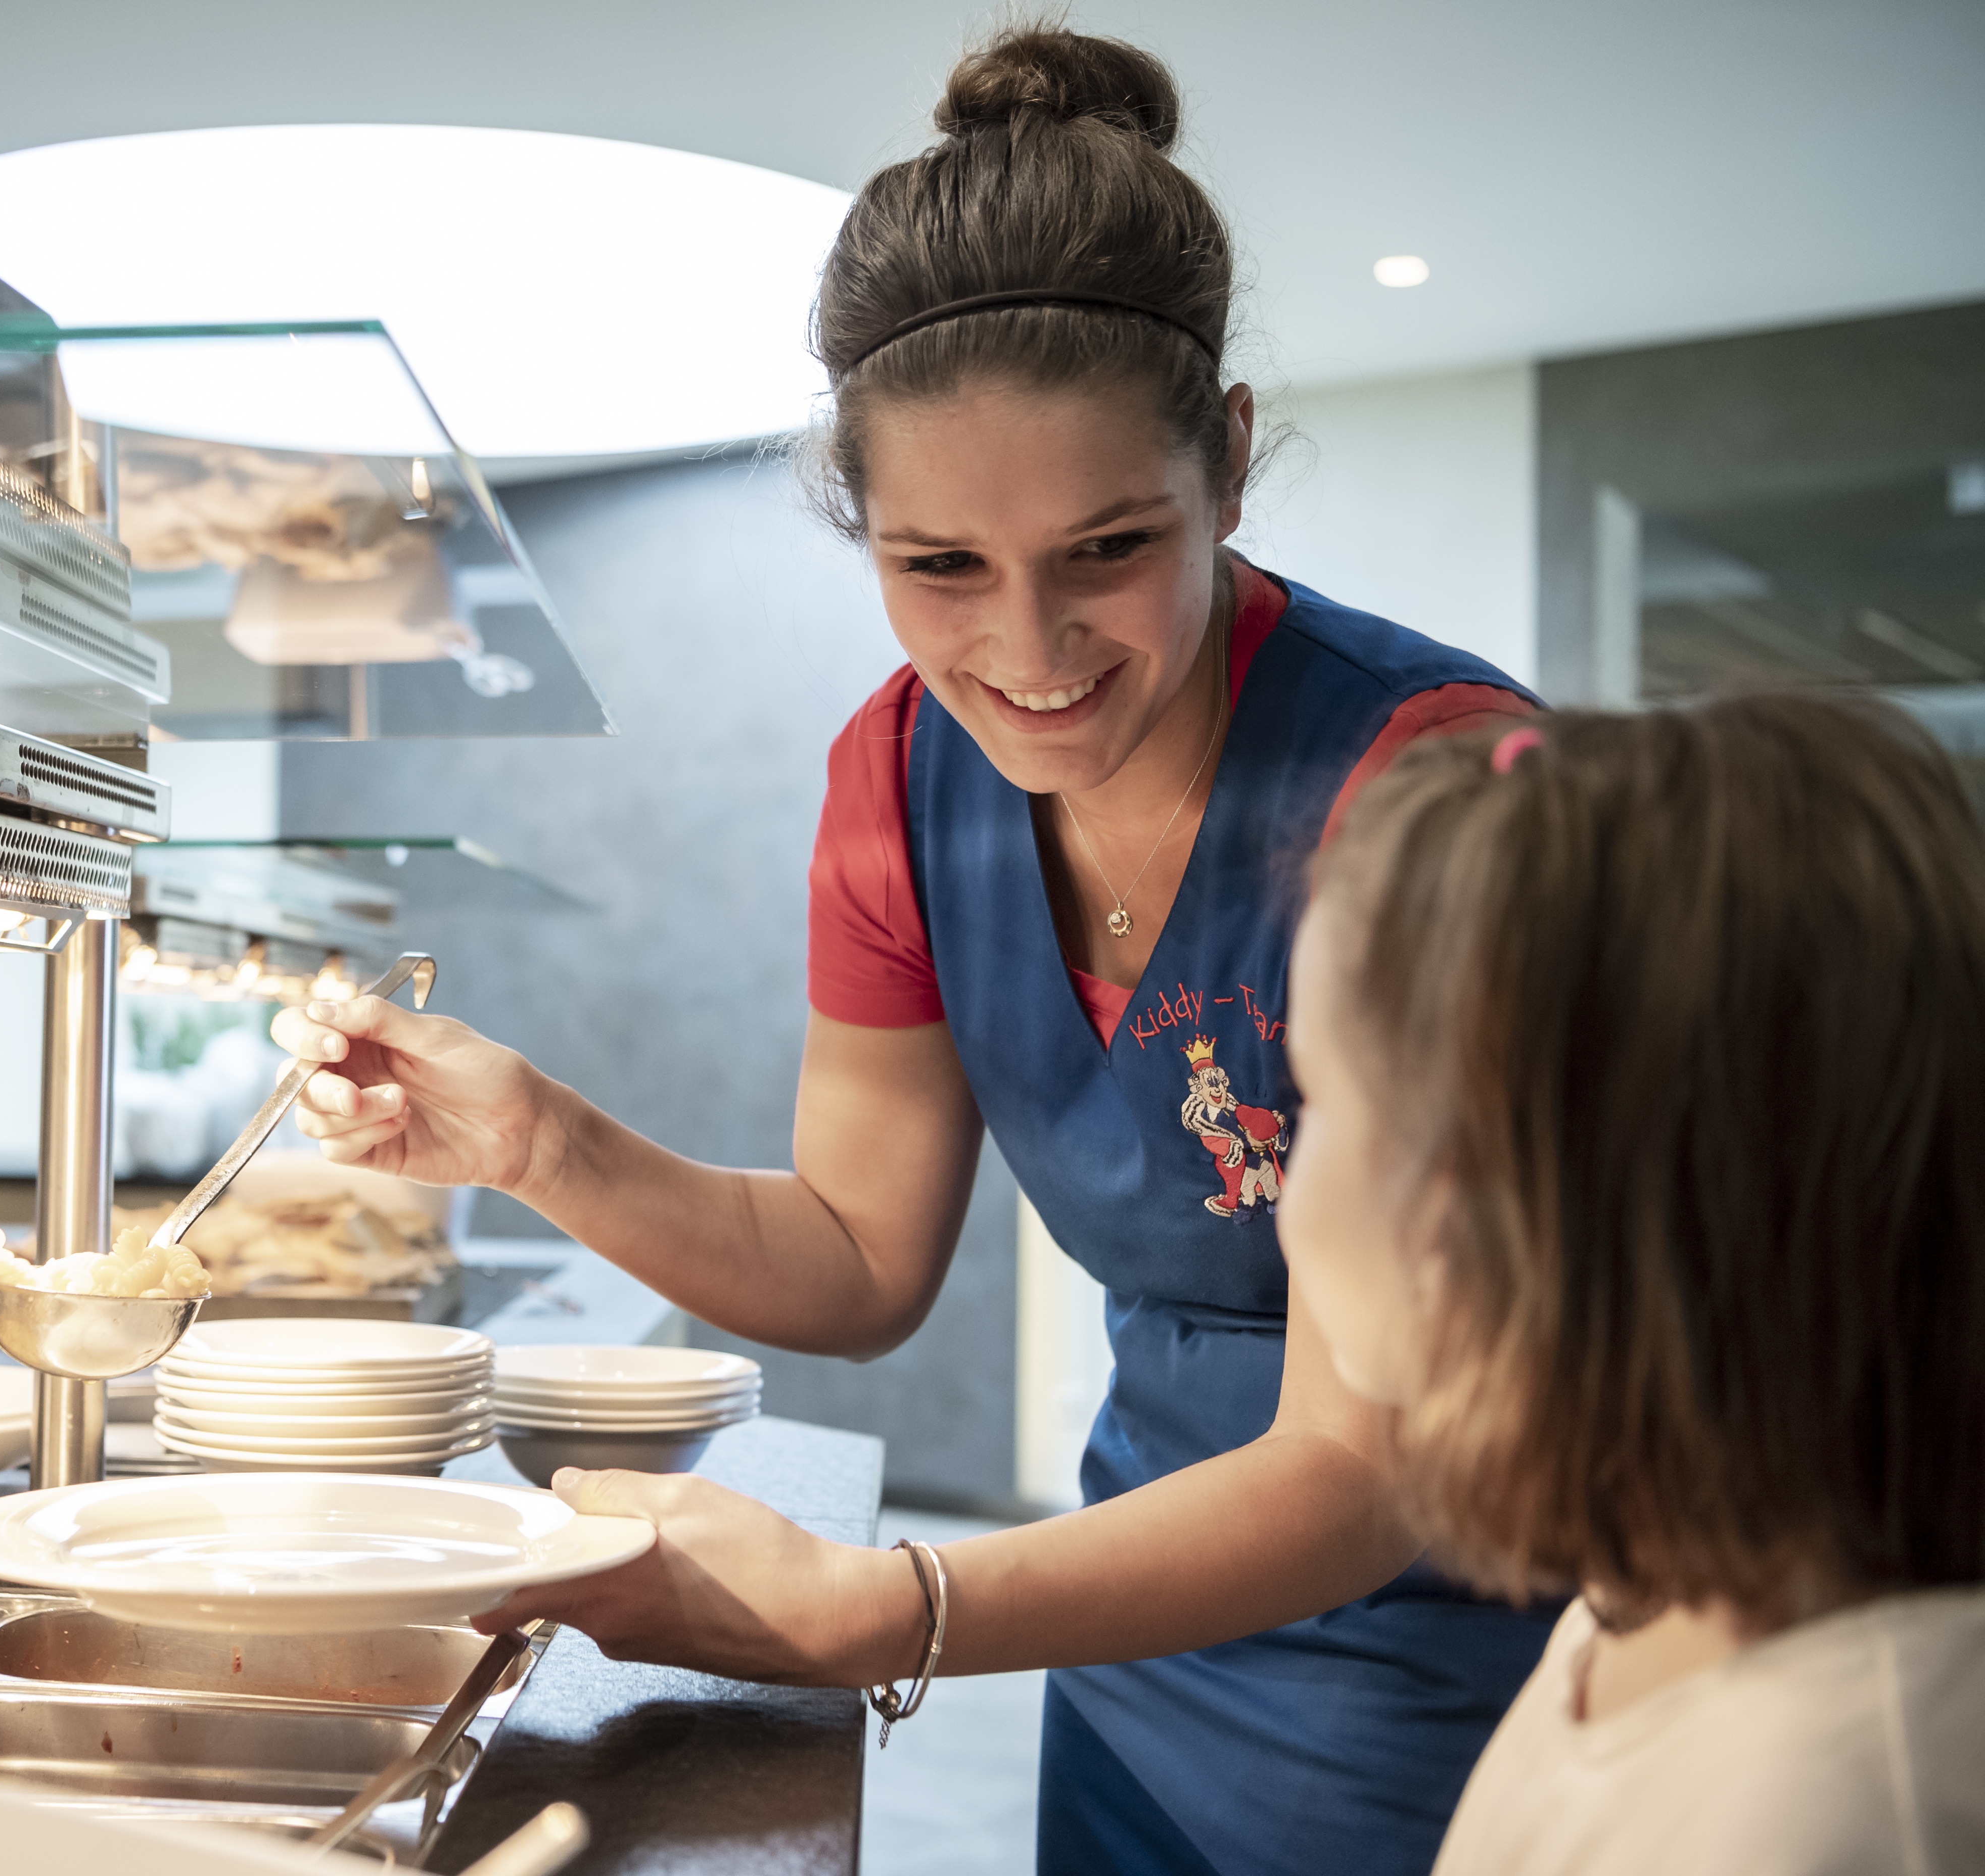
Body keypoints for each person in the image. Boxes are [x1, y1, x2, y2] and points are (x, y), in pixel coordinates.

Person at [276, 24, 1542, 1876]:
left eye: (1106, 547)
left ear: (1231, 464)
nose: (1025, 651)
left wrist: (895, 1608)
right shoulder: (895, 776)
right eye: (935, 565)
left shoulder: (1430, 788)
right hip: (1129, 1613)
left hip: (1461, 1638)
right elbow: (857, 1256)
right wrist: (535, 1140)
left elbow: (1370, 1466)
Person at [1283, 697, 1985, 1873]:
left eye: (1318, 1097)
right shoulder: (1654, 1588)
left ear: (1503, 1194)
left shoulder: (1827, 1816)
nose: (1286, 1189)